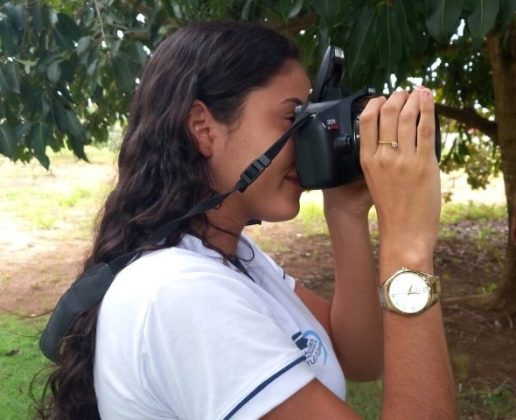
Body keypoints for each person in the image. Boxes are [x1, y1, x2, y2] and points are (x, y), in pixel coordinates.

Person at [37, 21, 457, 419]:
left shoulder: (228, 256)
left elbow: (359, 357)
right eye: (293, 118)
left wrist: (345, 213)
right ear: (203, 128)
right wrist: (408, 250)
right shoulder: (180, 292)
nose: (307, 139)